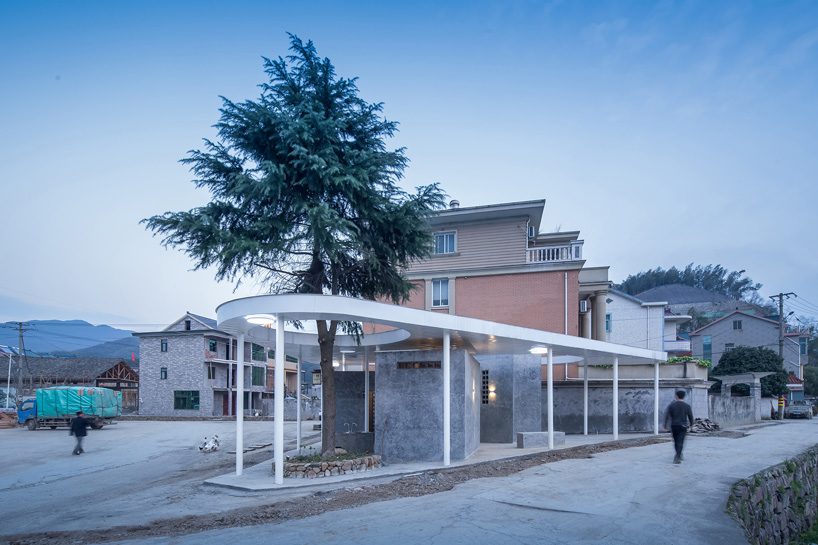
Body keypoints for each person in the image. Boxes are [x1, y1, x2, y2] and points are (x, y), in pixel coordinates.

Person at [664, 390, 694, 464]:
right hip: (683, 426)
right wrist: (691, 425)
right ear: (684, 396)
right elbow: (690, 416)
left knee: (676, 441)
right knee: (681, 441)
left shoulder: (672, 405)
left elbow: (667, 416)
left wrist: (665, 425)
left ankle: (678, 454)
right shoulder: (687, 406)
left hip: (674, 425)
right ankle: (678, 456)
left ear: (676, 396)